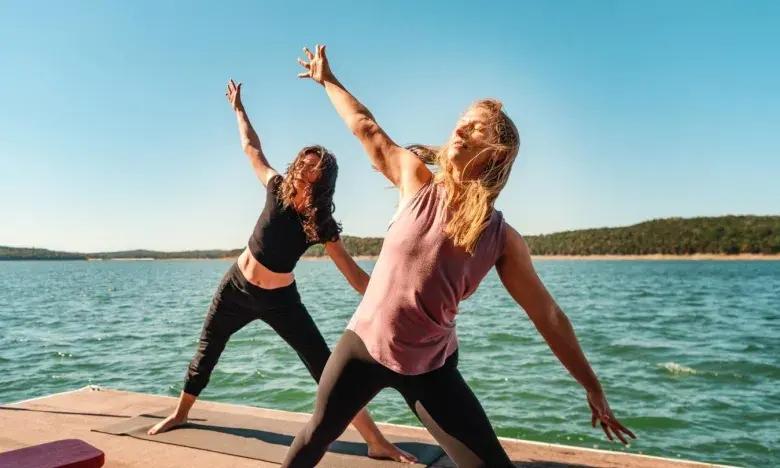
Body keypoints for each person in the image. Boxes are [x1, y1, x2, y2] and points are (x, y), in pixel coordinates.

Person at [283, 45, 636, 467]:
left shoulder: (502, 240)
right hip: (365, 345)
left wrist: (591, 386)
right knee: (315, 435)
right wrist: (328, 80)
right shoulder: (416, 179)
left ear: (498, 154)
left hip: (431, 366)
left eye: (477, 127)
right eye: (462, 122)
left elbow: (549, 316)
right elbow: (365, 127)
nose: (462, 129)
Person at [147, 78, 416, 464]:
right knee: (207, 350)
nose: (305, 167)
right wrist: (239, 109)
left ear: (324, 179)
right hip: (236, 287)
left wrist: (392, 302)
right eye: (304, 161)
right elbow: (251, 148)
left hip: (281, 301)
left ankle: (375, 440)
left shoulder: (320, 223)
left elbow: (353, 274)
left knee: (325, 368)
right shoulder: (276, 188)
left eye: (314, 166)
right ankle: (181, 413)